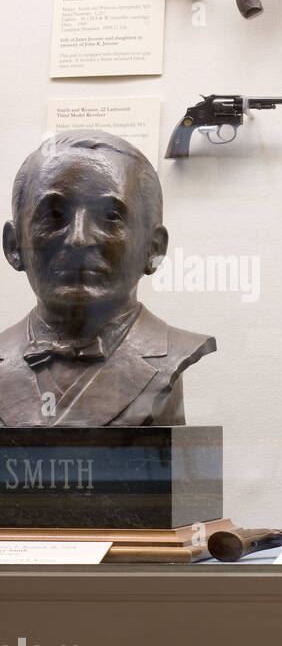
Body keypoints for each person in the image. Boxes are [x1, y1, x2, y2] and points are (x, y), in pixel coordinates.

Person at [0, 131, 214, 427]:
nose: (79, 239)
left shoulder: (174, 352)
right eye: (55, 214)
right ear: (13, 246)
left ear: (154, 249)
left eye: (111, 216)